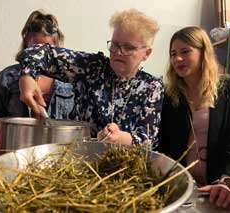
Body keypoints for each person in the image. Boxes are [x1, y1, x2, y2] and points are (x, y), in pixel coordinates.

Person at [18, 9, 163, 149]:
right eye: (114, 45)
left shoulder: (152, 87)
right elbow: (38, 51)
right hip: (82, 158)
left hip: (125, 168)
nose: (118, 52)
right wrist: (27, 76)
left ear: (146, 53)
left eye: (128, 47)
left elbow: (148, 140)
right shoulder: (92, 67)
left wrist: (122, 138)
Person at [157, 26, 230, 209]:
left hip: (218, 185)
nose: (177, 59)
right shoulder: (169, 94)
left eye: (185, 51)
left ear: (204, 52)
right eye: (173, 53)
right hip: (180, 186)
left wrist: (228, 181)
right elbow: (164, 142)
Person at [0, 10, 74, 137]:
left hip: (60, 153)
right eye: (35, 48)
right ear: (26, 45)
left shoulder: (69, 82)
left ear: (57, 48)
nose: (38, 54)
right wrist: (2, 139)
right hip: (16, 151)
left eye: (46, 48)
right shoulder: (7, 78)